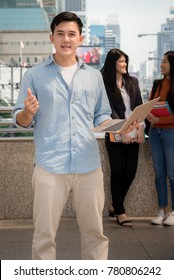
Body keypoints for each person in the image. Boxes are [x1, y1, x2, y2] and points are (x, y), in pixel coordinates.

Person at [13, 11, 112, 260]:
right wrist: (27, 111)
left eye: (71, 34)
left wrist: (118, 126)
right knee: (44, 236)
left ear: (80, 38)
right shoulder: (34, 75)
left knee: (95, 234)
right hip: (49, 166)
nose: (66, 39)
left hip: (89, 166)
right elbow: (21, 121)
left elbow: (101, 115)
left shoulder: (94, 76)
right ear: (52, 37)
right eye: (60, 34)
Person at [101, 48, 145, 227]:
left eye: (125, 61)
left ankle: (115, 204)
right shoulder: (104, 84)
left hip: (134, 132)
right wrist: (123, 130)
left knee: (130, 172)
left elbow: (139, 107)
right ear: (113, 64)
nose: (124, 64)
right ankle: (120, 211)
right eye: (121, 61)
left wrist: (140, 128)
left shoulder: (133, 82)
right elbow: (106, 111)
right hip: (114, 133)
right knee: (117, 171)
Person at [146, 51, 174, 226]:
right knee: (159, 174)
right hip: (155, 133)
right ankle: (161, 210)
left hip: (171, 133)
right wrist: (150, 116)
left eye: (164, 62)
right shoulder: (157, 83)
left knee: (172, 174)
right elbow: (149, 104)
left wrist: (160, 119)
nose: (161, 64)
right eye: (161, 61)